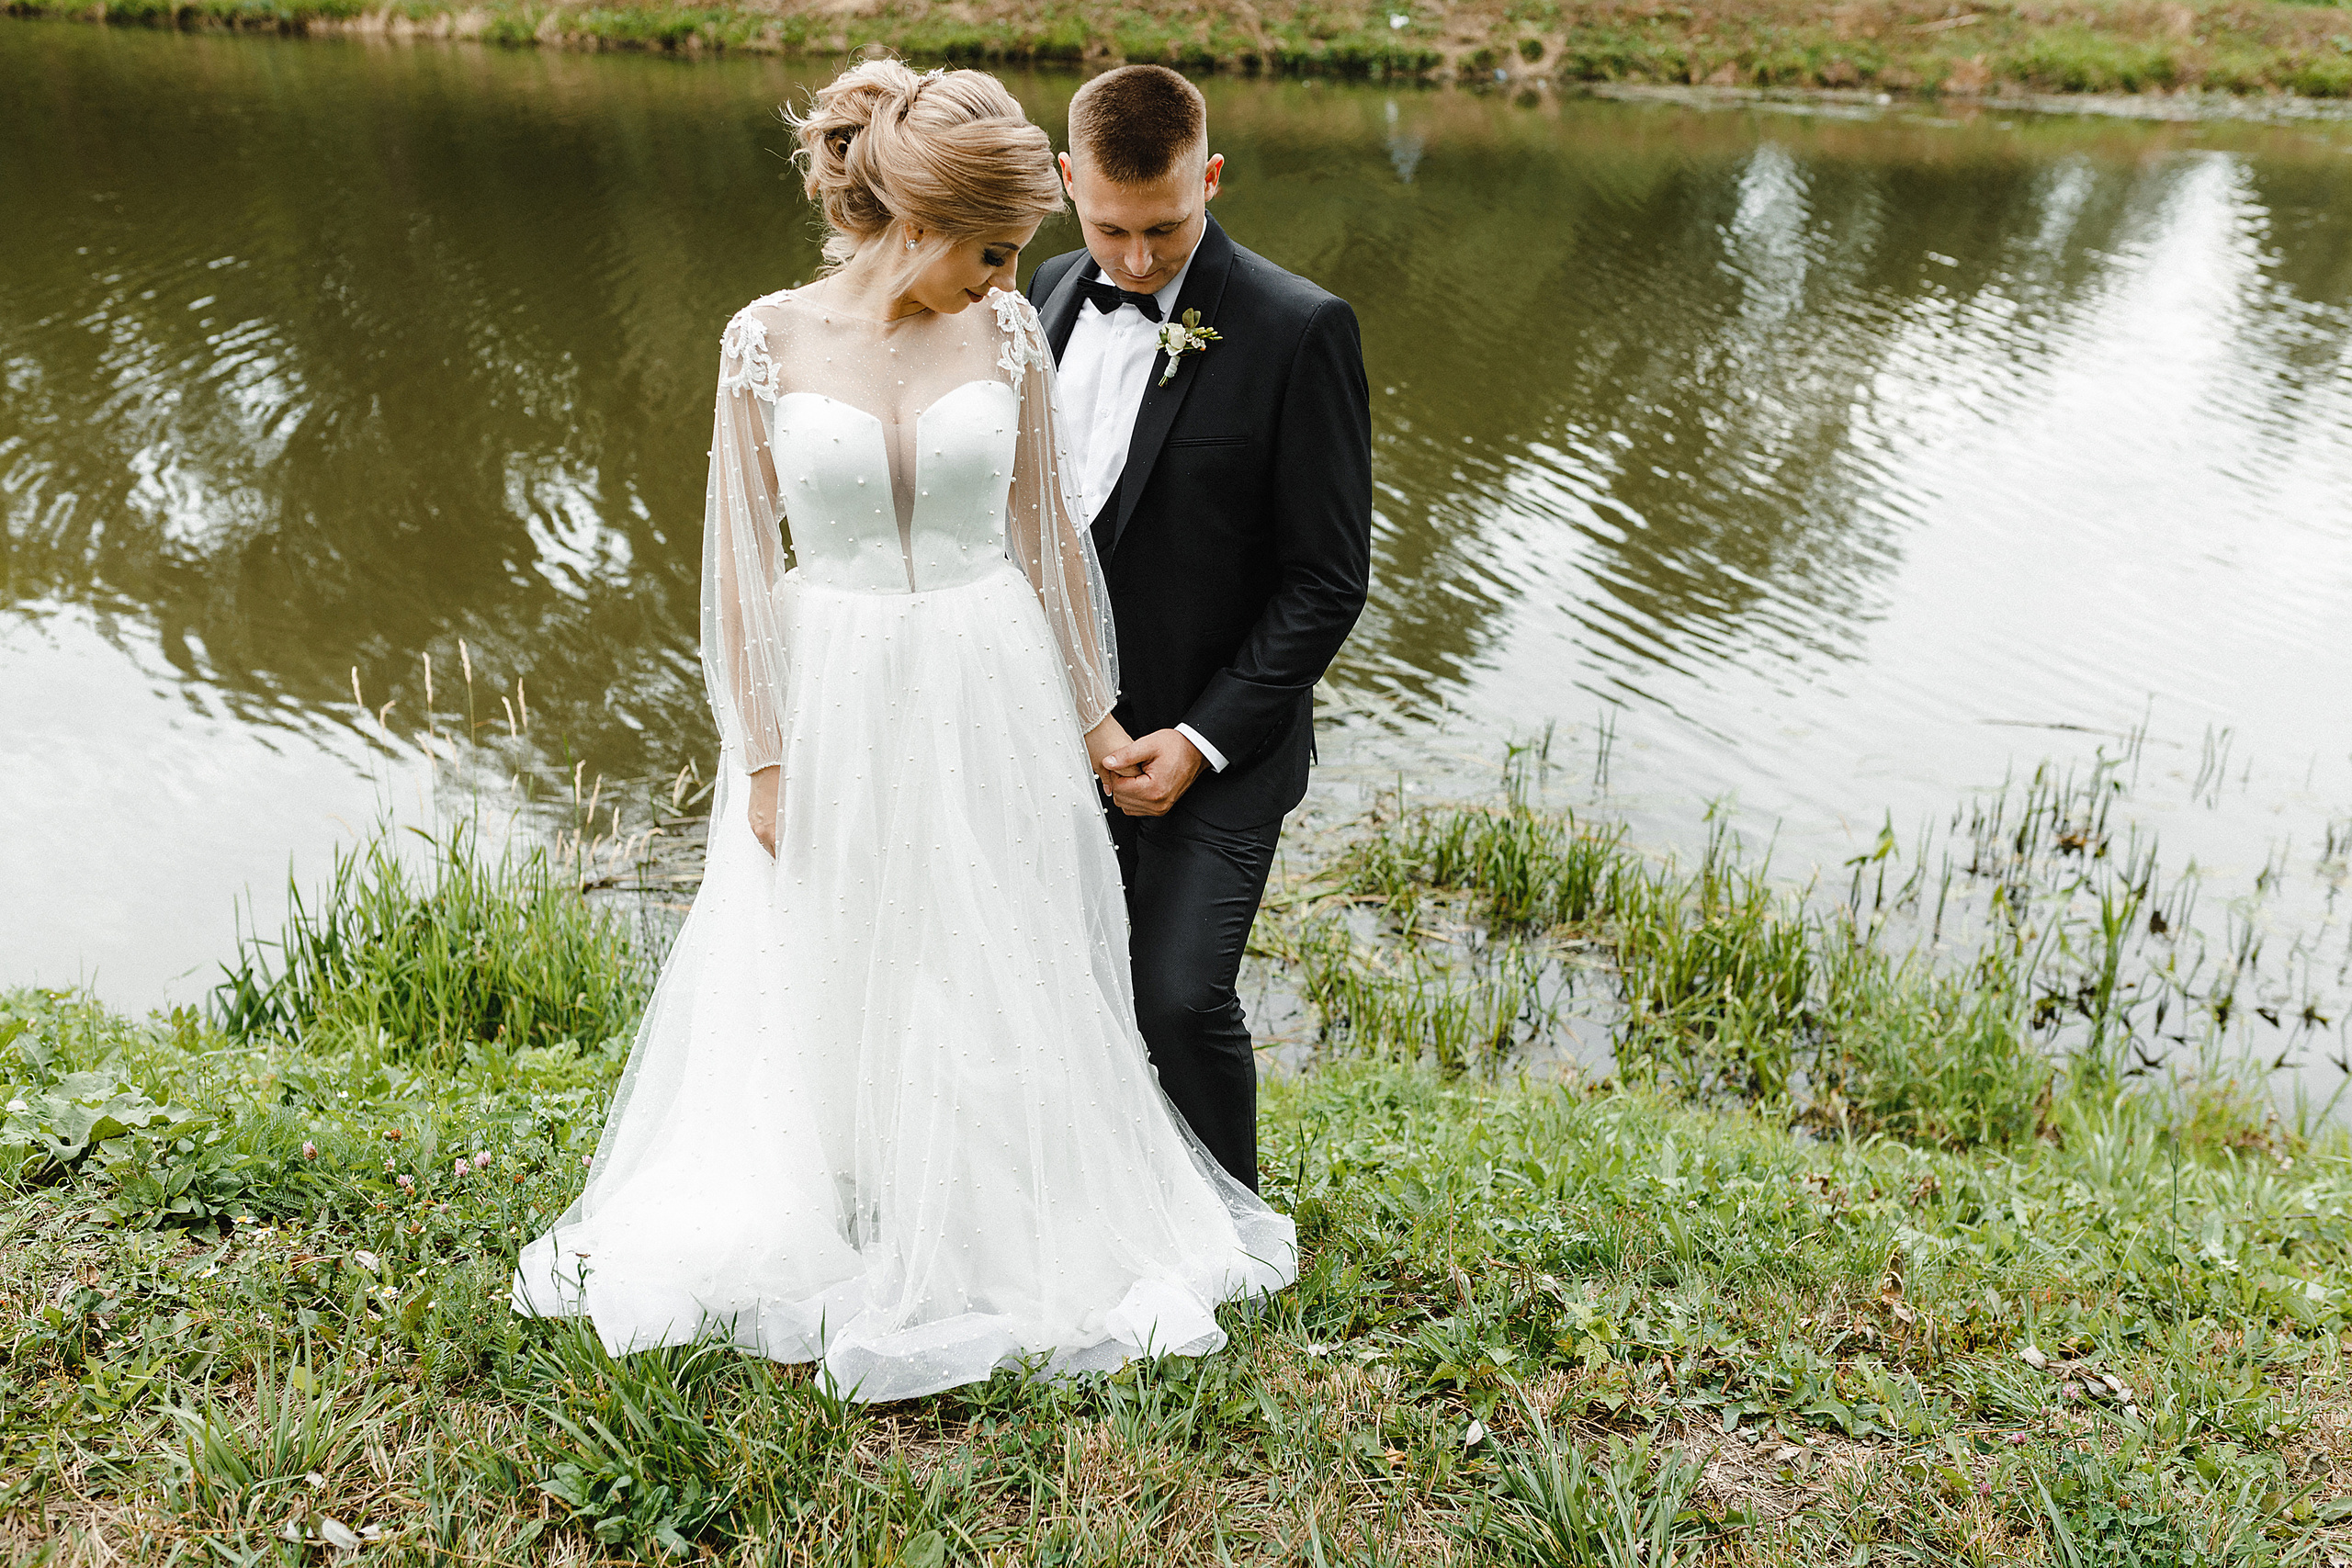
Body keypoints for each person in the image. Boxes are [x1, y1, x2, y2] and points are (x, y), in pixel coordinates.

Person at [511, 60, 1294, 1404]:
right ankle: (844, 1193)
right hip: (833, 686)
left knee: (987, 945)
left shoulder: (1009, 337)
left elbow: (1049, 543)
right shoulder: (762, 339)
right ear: (922, 222)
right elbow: (740, 565)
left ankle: (987, 1203)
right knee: (832, 941)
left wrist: (1098, 720)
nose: (1009, 280)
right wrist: (764, 757)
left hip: (989, 681)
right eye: (992, 252)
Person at [1026, 66, 1373, 1192]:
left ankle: (1235, 1226)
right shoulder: (1045, 291)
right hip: (1061, 729)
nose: (1134, 261)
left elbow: (1326, 580)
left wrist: (1198, 739)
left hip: (1217, 746)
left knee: (1176, 997)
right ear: (1067, 181)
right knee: (1063, 986)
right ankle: (1102, 1197)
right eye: (1109, 228)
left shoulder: (1299, 328)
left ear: (1210, 178)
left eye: (1164, 228)